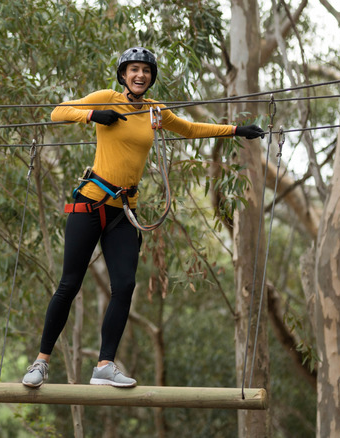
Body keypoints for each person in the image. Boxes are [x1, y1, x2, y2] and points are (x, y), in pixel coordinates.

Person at [22, 47, 264, 388]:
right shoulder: (107, 97)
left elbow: (190, 129)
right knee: (69, 284)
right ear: (123, 75)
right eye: (133, 69)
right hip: (91, 204)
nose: (140, 75)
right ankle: (41, 362)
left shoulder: (154, 111)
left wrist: (236, 130)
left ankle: (105, 365)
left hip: (124, 211)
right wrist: (92, 116)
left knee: (124, 286)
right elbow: (57, 112)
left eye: (146, 71)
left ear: (151, 77)